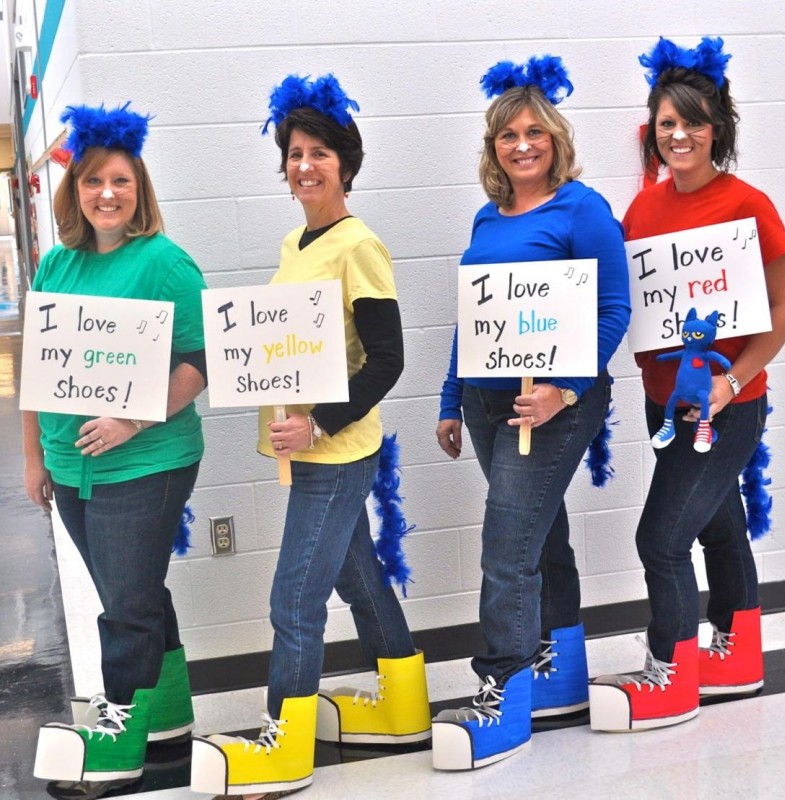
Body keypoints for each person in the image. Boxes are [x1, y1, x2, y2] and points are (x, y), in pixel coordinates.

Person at [191, 74, 430, 799]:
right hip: (308, 452)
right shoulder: (296, 239)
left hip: (336, 453)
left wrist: (321, 419)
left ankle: (283, 740)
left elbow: (388, 358)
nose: (304, 165)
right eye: (294, 152)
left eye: (320, 152)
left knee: (294, 600)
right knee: (358, 577)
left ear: (345, 163)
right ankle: (404, 703)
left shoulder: (360, 244)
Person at [589, 37, 785, 732]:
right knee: (715, 520)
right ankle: (737, 653)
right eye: (667, 122)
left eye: (694, 122)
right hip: (665, 403)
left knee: (661, 536)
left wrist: (735, 381)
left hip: (728, 405)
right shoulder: (643, 210)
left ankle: (669, 671)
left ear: (718, 129)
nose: (679, 134)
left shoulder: (748, 203)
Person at [432, 56, 631, 770]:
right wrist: (452, 397)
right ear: (493, 148)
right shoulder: (488, 216)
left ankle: (502, 695)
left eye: (534, 132)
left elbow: (613, 312)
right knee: (540, 538)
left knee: (505, 549)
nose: (522, 145)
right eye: (507, 135)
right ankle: (564, 674)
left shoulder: (584, 210)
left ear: (555, 139)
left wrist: (562, 389)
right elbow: (472, 312)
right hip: (488, 401)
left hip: (554, 403)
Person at [26, 104, 207, 790]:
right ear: (76, 190)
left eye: (121, 181)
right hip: (72, 469)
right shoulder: (57, 266)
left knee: (125, 606)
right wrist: (34, 456)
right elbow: (37, 373)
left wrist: (132, 419)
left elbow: (200, 361)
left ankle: (118, 738)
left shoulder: (164, 263)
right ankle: (166, 721)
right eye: (94, 180)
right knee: (133, 592)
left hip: (147, 463)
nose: (107, 192)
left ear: (140, 189)